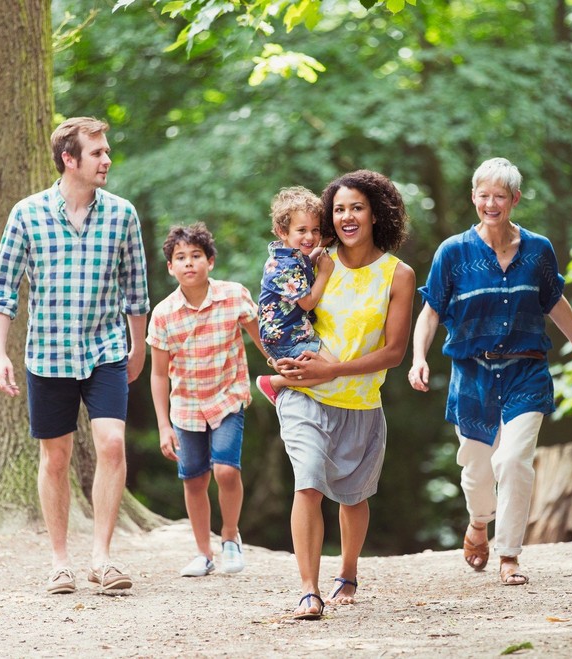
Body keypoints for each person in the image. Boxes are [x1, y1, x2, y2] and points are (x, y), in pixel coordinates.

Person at [408, 157, 572, 586]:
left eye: (500, 196)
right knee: (476, 470)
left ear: (514, 199)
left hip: (526, 372)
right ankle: (479, 522)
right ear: (473, 198)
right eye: (483, 195)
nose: (491, 204)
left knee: (514, 460)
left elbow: (555, 302)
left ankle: (509, 553)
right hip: (472, 374)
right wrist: (418, 357)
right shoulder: (453, 253)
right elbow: (431, 311)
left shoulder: (538, 250)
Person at [0, 117, 149, 595]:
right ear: (69, 159)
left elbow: (135, 292)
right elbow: (2, 291)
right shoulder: (27, 214)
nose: (107, 160)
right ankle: (59, 563)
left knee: (112, 445)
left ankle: (101, 557)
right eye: (97, 153)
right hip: (49, 353)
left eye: (107, 151)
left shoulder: (122, 215)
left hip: (105, 350)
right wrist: (0, 353)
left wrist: (137, 349)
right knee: (55, 458)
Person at [271, 170, 415, 620]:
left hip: (360, 402)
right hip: (306, 395)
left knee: (353, 497)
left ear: (376, 213)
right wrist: (280, 359)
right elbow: (276, 309)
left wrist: (336, 368)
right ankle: (308, 591)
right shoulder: (315, 259)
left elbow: (393, 353)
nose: (346, 217)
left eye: (357, 207)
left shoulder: (399, 274)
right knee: (309, 483)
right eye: (338, 209)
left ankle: (347, 574)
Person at [147, 222, 269, 578]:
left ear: (210, 261)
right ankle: (203, 552)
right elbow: (158, 374)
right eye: (180, 258)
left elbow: (261, 337)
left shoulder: (233, 296)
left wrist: (283, 365)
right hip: (185, 407)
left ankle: (230, 536)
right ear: (170, 267)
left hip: (227, 397)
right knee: (194, 480)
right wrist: (163, 425)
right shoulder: (164, 313)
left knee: (226, 470)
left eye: (196, 256)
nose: (189, 264)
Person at [255, 186, 337, 403]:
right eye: (302, 231)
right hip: (284, 338)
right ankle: (273, 383)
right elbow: (308, 303)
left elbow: (306, 265)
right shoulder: (284, 265)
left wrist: (322, 245)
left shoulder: (292, 254)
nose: (310, 237)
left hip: (286, 332)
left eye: (315, 230)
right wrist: (325, 274)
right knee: (329, 370)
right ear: (283, 232)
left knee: (329, 369)